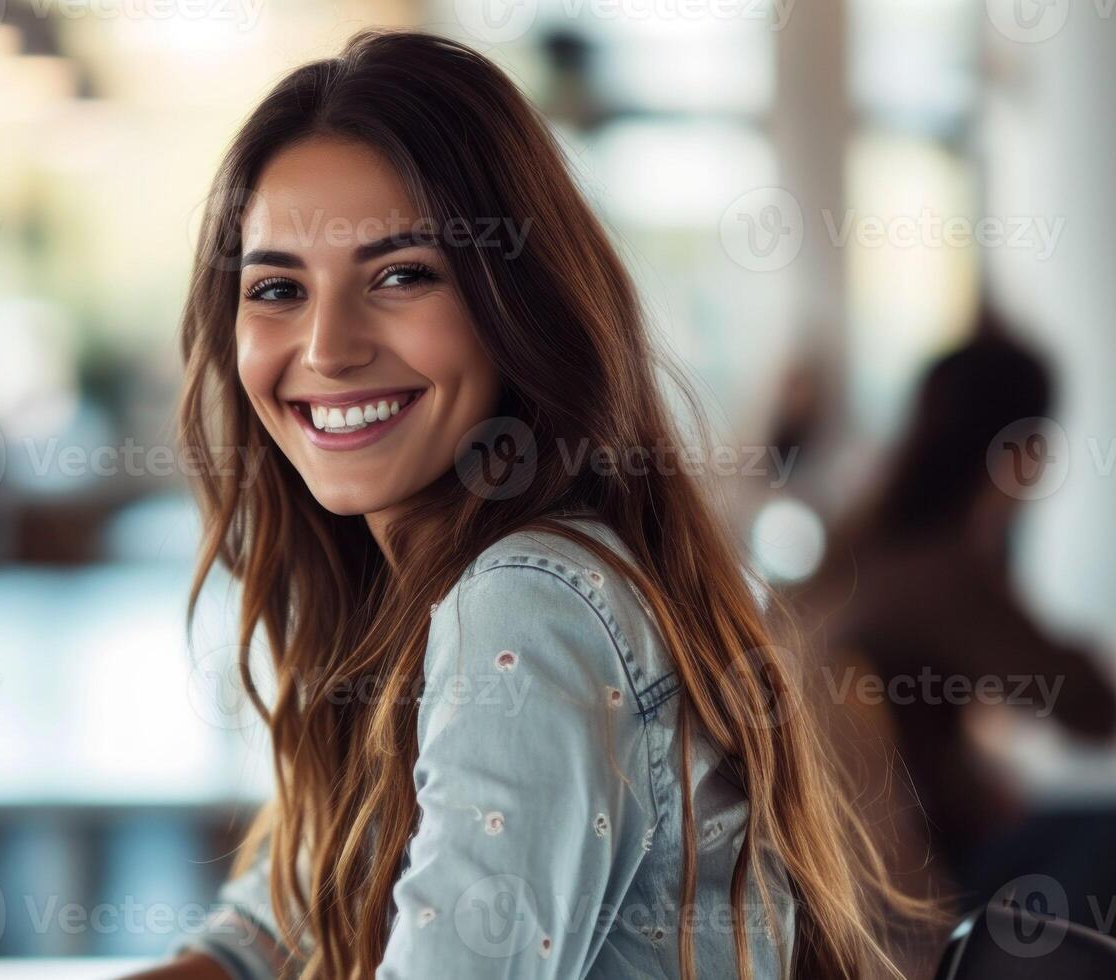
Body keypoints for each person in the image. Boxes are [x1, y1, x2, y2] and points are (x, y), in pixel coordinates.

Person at [137, 30, 927, 980]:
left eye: (400, 275)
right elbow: (265, 932)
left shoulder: (525, 603)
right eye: (276, 287)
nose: (328, 347)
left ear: (516, 301)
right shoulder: (415, 594)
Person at [796, 325, 1116, 887]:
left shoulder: (852, 548)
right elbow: (1094, 708)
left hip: (839, 878)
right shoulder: (945, 571)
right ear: (1019, 451)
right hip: (925, 885)